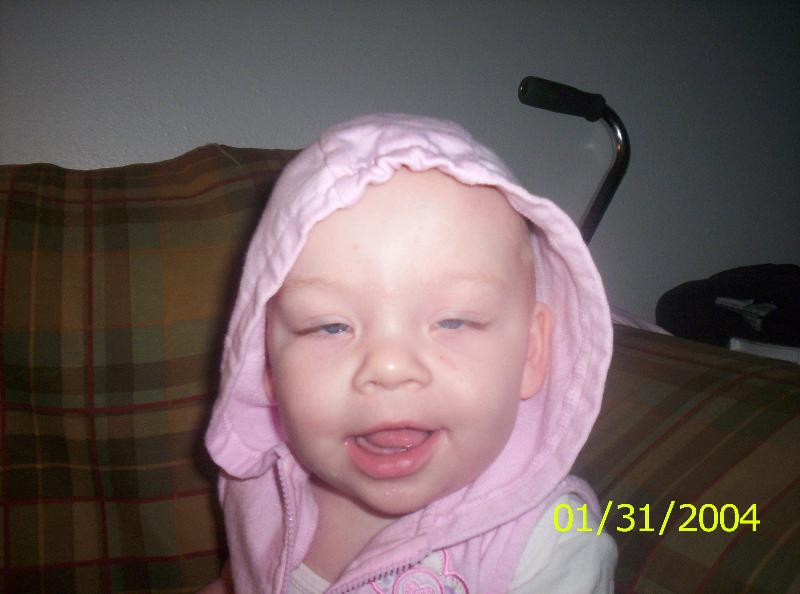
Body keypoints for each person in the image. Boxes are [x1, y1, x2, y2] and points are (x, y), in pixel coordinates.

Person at [199, 113, 616, 593]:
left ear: (530, 353)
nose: (390, 368)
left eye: (453, 321)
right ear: (267, 364)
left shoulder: (550, 546)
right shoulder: (260, 493)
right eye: (330, 326)